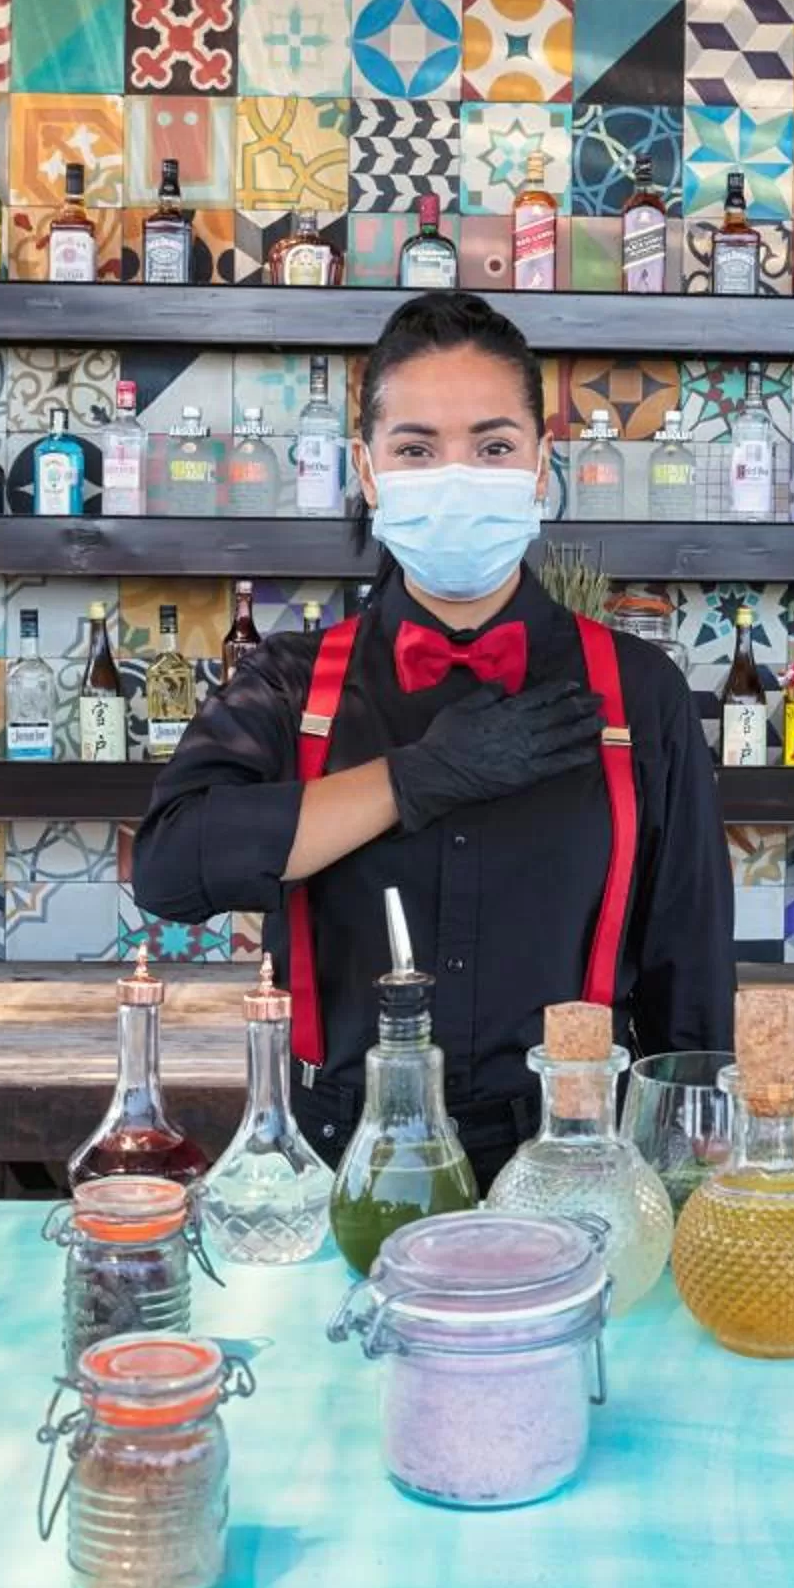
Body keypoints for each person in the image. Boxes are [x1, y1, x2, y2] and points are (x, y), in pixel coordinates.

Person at [134, 291, 733, 1184]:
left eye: (493, 447)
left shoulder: (638, 693)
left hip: (573, 1163)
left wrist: (696, 1166)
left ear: (540, 469)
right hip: (337, 1158)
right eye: (416, 449)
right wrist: (413, 778)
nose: (457, 474)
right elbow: (170, 871)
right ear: (368, 474)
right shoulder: (291, 683)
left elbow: (688, 970)